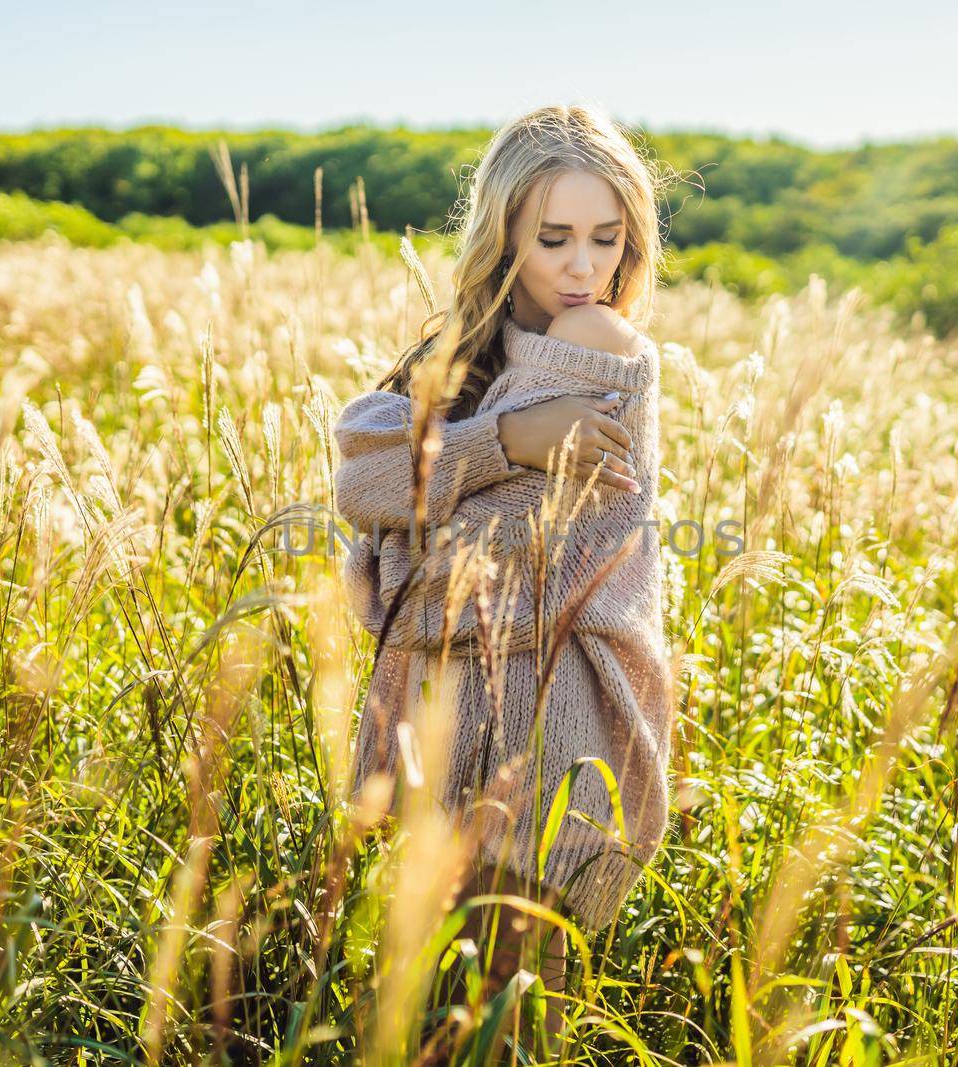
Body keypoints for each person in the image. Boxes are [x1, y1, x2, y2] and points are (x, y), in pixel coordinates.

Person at [332, 103, 675, 1059]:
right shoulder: (459, 357)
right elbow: (357, 479)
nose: (583, 267)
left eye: (607, 238)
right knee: (421, 1002)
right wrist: (505, 442)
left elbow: (503, 565)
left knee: (508, 1008)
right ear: (505, 237)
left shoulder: (607, 355)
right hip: (445, 731)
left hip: (545, 736)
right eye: (554, 237)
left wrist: (418, 516)